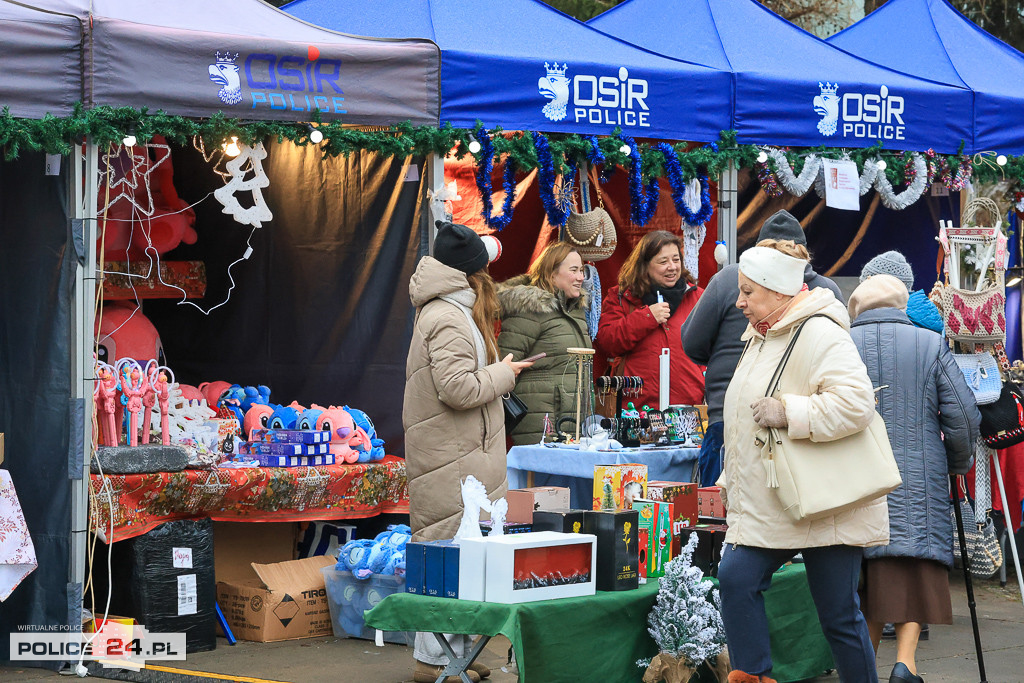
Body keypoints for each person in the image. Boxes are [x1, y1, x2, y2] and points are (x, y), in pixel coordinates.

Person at [716, 239, 885, 683]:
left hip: (825, 501)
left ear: (777, 290)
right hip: (772, 497)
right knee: (736, 579)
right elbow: (742, 420)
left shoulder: (821, 331)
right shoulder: (760, 336)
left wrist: (789, 412)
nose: (739, 302)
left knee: (838, 617)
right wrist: (727, 476)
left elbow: (856, 404)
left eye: (748, 292)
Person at [404, 221, 534, 682]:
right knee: (445, 552)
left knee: (462, 554)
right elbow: (458, 389)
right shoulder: (447, 317)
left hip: (459, 452)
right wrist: (504, 375)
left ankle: (455, 654)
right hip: (451, 455)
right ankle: (431, 660)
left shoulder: (449, 312)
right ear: (472, 274)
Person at [847, 274, 981, 683]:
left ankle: (863, 668)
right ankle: (906, 664)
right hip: (919, 480)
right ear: (901, 303)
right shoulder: (928, 342)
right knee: (915, 569)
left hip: (857, 478)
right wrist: (956, 463)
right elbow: (962, 416)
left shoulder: (841, 344)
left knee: (866, 578)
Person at [681, 210, 841, 486]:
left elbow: (692, 343)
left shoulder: (728, 280)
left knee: (721, 522)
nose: (742, 302)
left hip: (744, 421)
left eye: (748, 293)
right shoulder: (827, 292)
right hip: (799, 425)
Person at [594, 230, 704, 412]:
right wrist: (647, 317)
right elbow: (607, 341)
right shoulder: (622, 297)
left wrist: (702, 378)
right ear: (644, 266)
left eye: (676, 260)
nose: (672, 267)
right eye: (663, 261)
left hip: (687, 409)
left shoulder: (697, 297)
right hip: (636, 409)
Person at [498, 242, 591, 444]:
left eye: (582, 270)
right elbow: (502, 366)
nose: (581, 277)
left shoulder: (576, 311)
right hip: (541, 427)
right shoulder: (530, 309)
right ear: (551, 274)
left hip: (572, 425)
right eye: (574, 270)